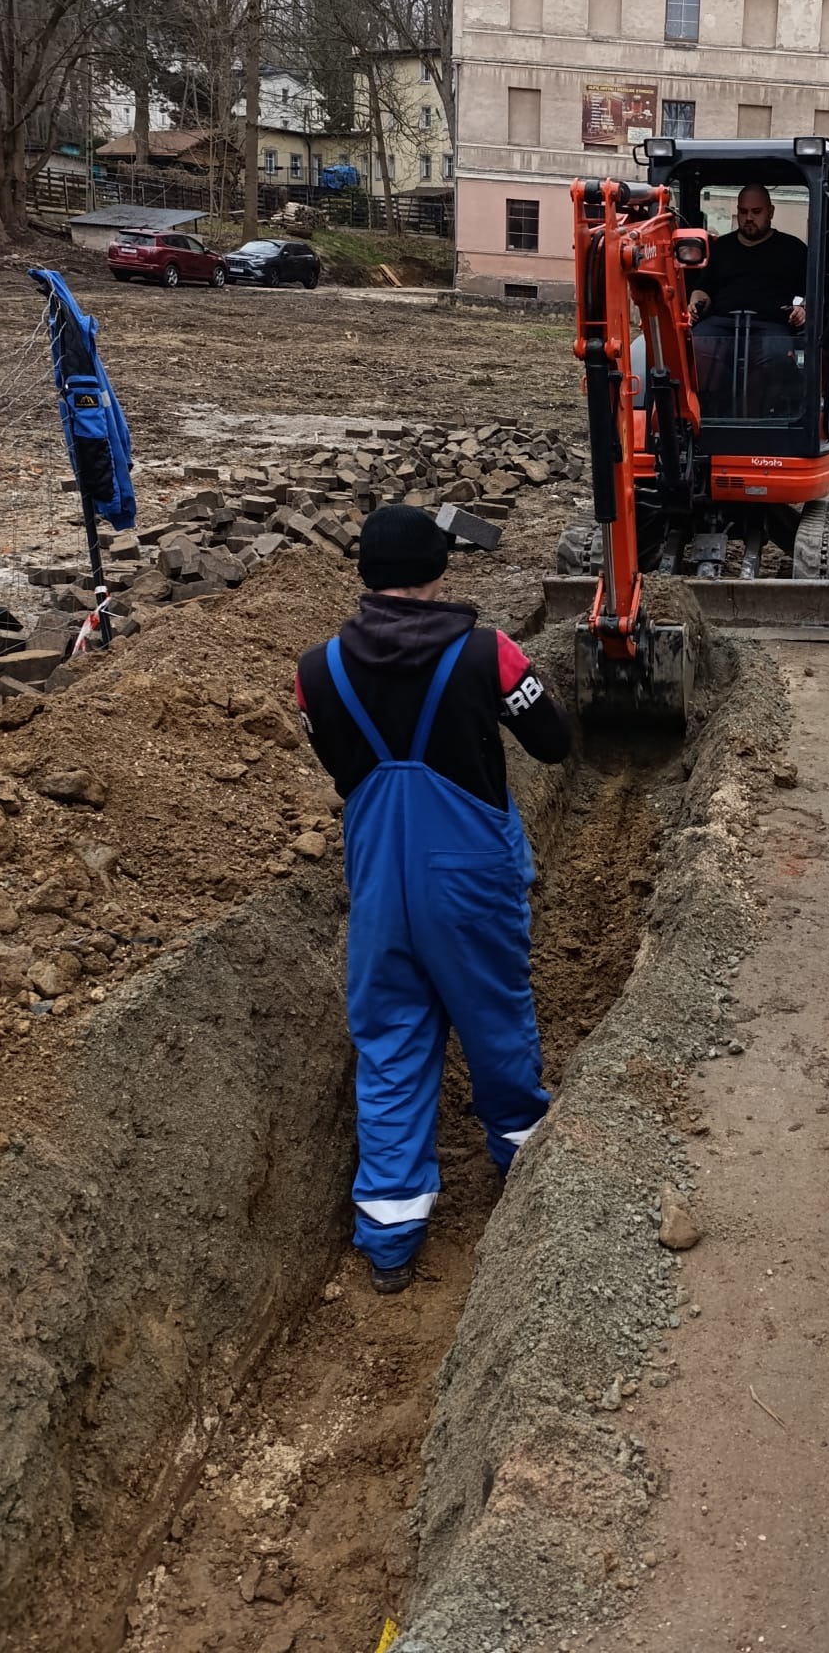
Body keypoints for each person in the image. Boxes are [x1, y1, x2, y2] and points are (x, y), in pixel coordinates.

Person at [295, 503, 571, 1295]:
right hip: (472, 883)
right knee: (495, 1023)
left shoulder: (317, 670)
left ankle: (389, 1236)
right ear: (439, 570)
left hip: (380, 883)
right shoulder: (489, 654)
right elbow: (553, 742)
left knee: (390, 1043)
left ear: (366, 574)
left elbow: (341, 767)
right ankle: (524, 1168)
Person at [688, 184, 807, 330]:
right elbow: (704, 288)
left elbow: (810, 294)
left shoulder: (793, 249)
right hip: (721, 325)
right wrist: (696, 302)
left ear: (770, 212)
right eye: (743, 212)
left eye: (756, 212)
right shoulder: (720, 247)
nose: (749, 218)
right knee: (698, 338)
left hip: (772, 327)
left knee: (777, 344)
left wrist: (802, 309)